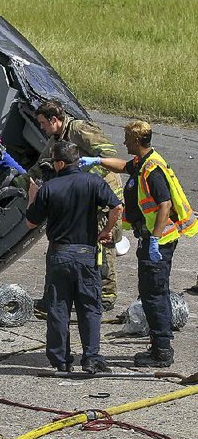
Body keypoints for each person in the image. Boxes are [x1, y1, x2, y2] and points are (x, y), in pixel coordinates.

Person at [79, 121, 198, 367]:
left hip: (159, 242)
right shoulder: (144, 162)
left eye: (126, 138)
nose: (123, 142)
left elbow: (164, 205)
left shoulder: (152, 170)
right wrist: (98, 161)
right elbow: (123, 166)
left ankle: (162, 351)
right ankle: (158, 346)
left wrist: (154, 239)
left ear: (135, 141)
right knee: (151, 293)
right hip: (153, 239)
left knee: (154, 295)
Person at [26, 142, 122, 373]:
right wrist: (106, 231)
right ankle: (91, 357)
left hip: (59, 254)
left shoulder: (50, 187)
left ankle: (60, 360)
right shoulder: (93, 182)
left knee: (58, 308)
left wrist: (32, 197)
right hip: (86, 254)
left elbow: (31, 222)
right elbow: (117, 207)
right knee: (90, 307)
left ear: (59, 163)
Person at [29, 99, 123, 311]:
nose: (42, 128)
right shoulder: (57, 138)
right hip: (84, 193)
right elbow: (41, 163)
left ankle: (107, 293)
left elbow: (108, 155)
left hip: (103, 193)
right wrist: (24, 179)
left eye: (43, 123)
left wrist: (86, 179)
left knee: (103, 240)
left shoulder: (80, 129)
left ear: (55, 119)